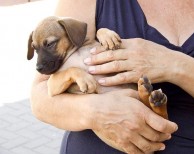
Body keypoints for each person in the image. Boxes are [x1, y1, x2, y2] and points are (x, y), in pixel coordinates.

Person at [30, 0, 194, 153]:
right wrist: (96, 112)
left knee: (147, 106)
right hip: (97, 146)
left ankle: (153, 103)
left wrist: (175, 64)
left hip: (165, 133)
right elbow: (41, 97)